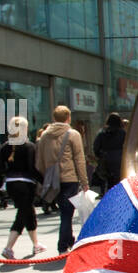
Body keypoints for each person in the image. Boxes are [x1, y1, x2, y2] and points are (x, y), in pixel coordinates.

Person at [36, 105, 89, 255]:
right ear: (68, 118)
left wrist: (46, 175)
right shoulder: (73, 134)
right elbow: (79, 159)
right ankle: (62, 245)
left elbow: (39, 160)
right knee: (67, 213)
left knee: (65, 211)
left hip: (52, 180)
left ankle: (69, 240)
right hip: (69, 178)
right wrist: (84, 182)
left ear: (54, 118)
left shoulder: (45, 135)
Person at [0, 115, 45, 259]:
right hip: (25, 186)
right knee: (22, 214)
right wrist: (44, 181)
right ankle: (8, 248)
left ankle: (36, 244)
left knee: (28, 212)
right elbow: (32, 169)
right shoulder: (29, 146)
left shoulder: (4, 147)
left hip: (11, 185)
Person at [92, 112, 125, 193]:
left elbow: (96, 147)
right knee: (118, 182)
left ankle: (105, 195)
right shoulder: (123, 133)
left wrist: (99, 156)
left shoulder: (102, 132)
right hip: (119, 160)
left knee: (106, 181)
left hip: (105, 160)